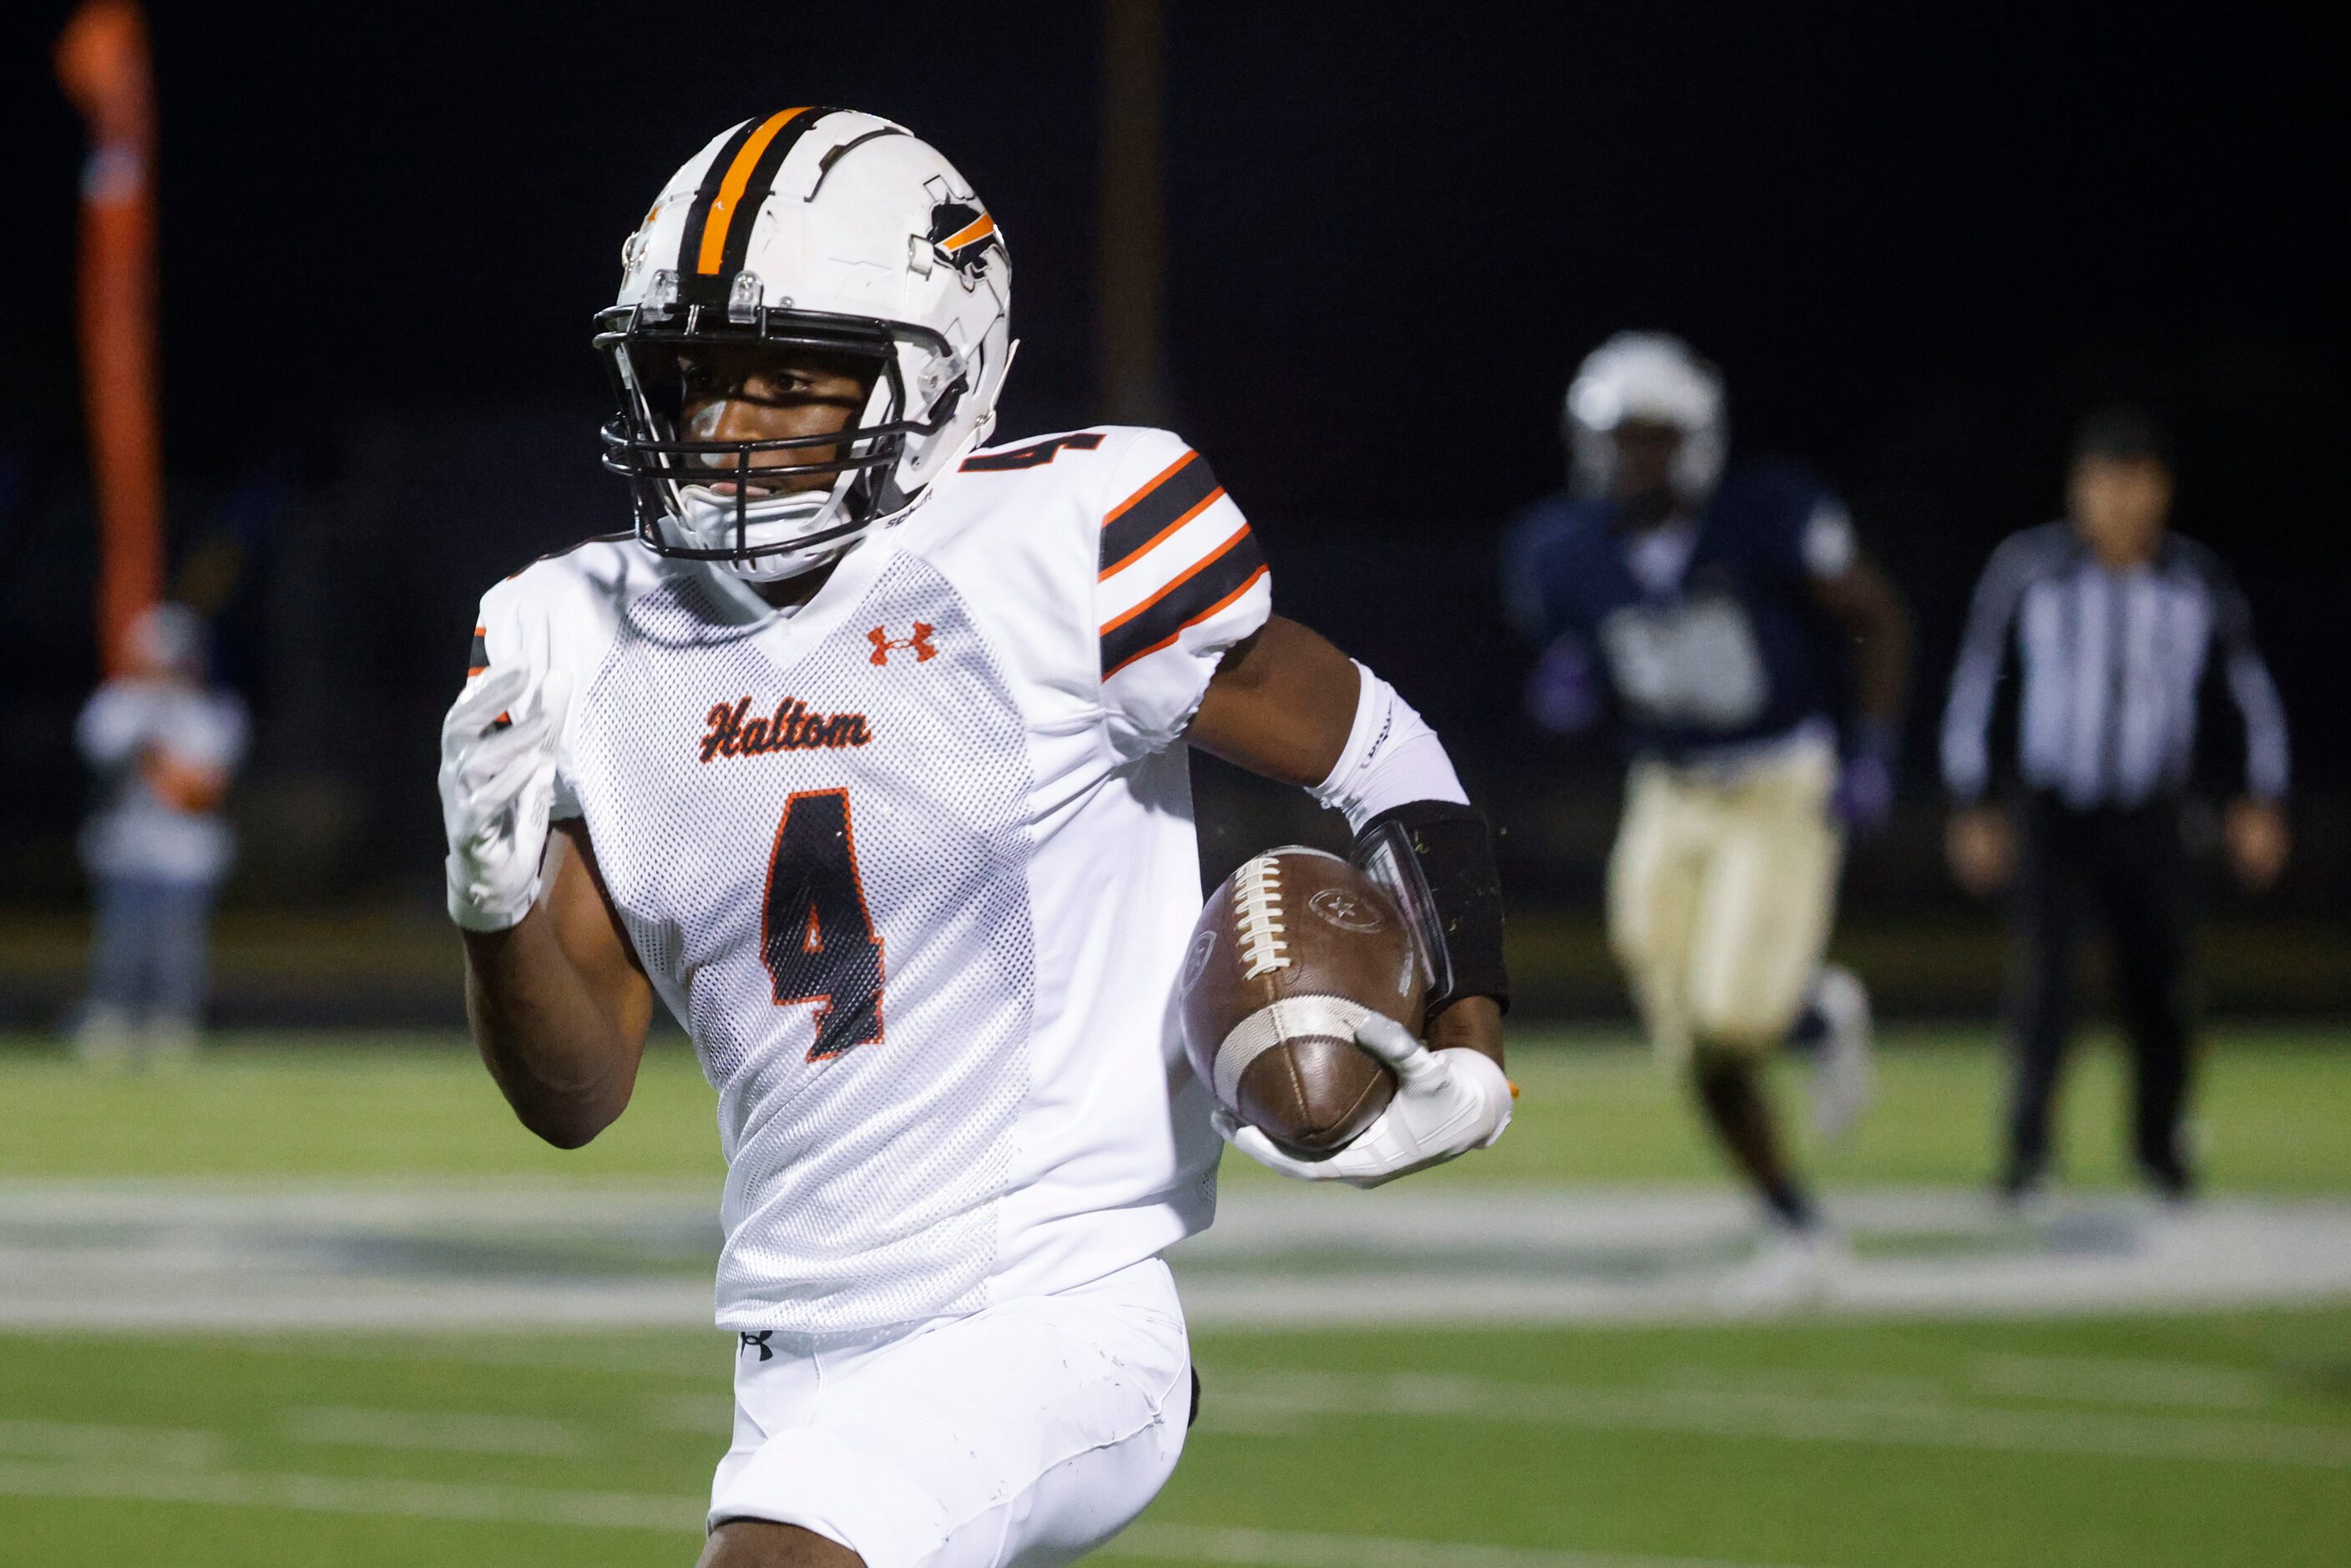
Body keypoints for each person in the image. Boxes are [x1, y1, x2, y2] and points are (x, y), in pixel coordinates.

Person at [436, 109, 1513, 1568]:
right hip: (788, 1349)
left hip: (1052, 1312)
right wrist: (491, 897)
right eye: (696, 378)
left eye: (788, 377)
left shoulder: (1059, 548)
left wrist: (1470, 1036)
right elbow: (574, 1093)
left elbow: (1377, 745)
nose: (728, 425)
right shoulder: (579, 632)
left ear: (938, 376)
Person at [1502, 332, 1910, 1302]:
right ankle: (1794, 1222)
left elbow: (1875, 615)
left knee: (1730, 1014)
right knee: (1683, 1030)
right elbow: (1575, 647)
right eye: (1620, 440)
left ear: (1695, 441)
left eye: (1653, 439)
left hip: (1776, 782)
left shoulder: (1767, 514)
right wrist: (1571, 672)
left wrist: (1874, 745)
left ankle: (1806, 1011)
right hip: (1668, 787)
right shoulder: (1561, 550)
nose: (1634, 460)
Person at [1939, 406, 2290, 1203]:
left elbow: (2245, 698)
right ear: (2078, 488)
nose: (2121, 501)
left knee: (2161, 986)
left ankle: (2161, 1153)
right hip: (2053, 807)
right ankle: (2027, 1156)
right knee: (2045, 986)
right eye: (2105, 482)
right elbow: (1978, 688)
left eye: (2136, 483)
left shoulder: (2195, 580)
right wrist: (1973, 801)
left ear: (2160, 490)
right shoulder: (2029, 570)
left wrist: (2257, 800)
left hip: (2153, 809)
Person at [71, 601, 247, 1065]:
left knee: (178, 946)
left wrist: (166, 742)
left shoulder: (212, 713)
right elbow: (97, 750)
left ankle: (172, 1024)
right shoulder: (117, 705)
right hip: (126, 844)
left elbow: (203, 786)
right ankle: (111, 1020)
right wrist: (145, 726)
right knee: (120, 942)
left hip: (185, 852)